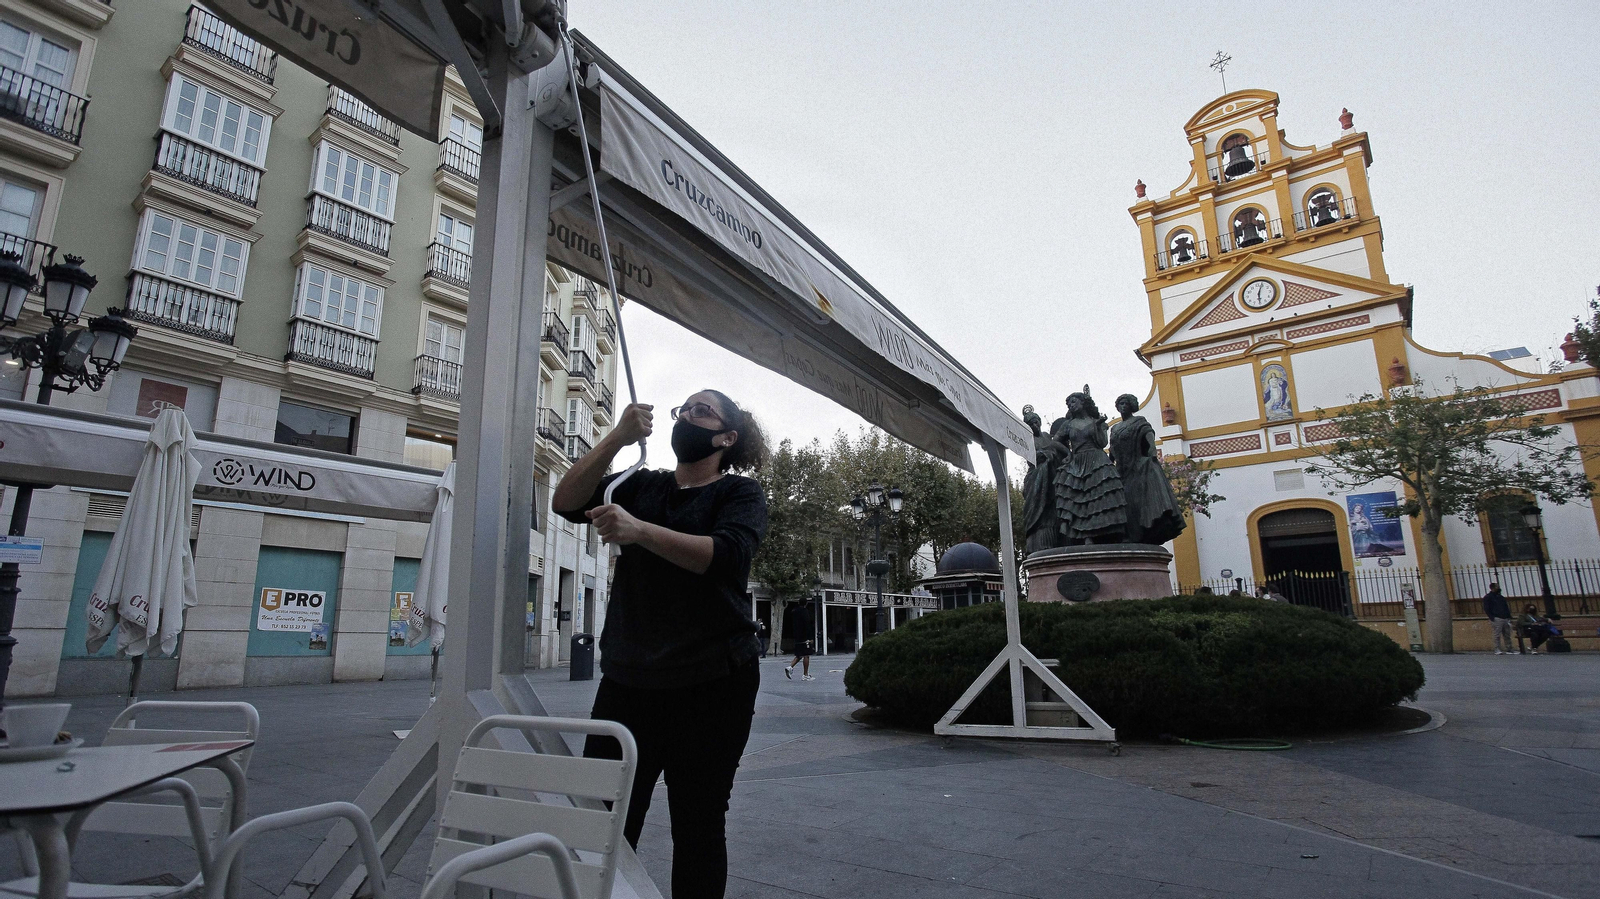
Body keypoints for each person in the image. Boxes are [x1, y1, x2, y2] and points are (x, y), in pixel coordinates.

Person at [551, 389, 768, 899]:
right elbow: (565, 502)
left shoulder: (739, 494)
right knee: (600, 822)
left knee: (698, 824)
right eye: (682, 410)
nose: (685, 417)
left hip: (715, 684)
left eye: (701, 411)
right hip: (629, 681)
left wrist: (638, 530)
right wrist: (618, 438)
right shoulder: (639, 485)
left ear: (726, 436)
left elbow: (722, 556)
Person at [1050, 389, 1128, 544]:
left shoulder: (1097, 420)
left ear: (1083, 402)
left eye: (1073, 402)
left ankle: (1110, 532)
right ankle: (1086, 536)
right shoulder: (1068, 424)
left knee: (1103, 494)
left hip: (1097, 459)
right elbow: (1055, 441)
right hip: (1077, 461)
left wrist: (1099, 426)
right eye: (1068, 404)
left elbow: (1102, 443)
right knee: (1080, 498)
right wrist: (1068, 453)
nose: (1070, 405)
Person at [1109, 394, 1185, 545]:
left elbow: (1149, 438)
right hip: (1120, 472)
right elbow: (1112, 450)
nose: (1123, 406)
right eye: (1120, 404)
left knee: (1137, 502)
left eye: (1126, 403)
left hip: (1138, 468)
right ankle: (1126, 534)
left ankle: (1139, 534)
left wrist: (1152, 454)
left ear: (1132, 406)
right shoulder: (1115, 428)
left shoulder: (1139, 422)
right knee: (1123, 503)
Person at [785, 599, 815, 680]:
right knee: (806, 655)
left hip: (796, 636)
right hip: (804, 637)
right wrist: (810, 637)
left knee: (799, 654)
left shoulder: (794, 612)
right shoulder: (805, 612)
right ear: (806, 604)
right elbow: (807, 625)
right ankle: (805, 674)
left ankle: (790, 667)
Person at [1483, 582, 1514, 655]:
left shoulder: (1501, 597)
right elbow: (1487, 608)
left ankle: (1509, 649)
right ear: (1493, 588)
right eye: (1497, 587)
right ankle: (1497, 649)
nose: (1498, 588)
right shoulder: (1488, 597)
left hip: (1505, 617)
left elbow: (1506, 607)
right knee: (1497, 634)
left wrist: (1508, 616)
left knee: (1507, 634)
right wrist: (1492, 617)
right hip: (1497, 618)